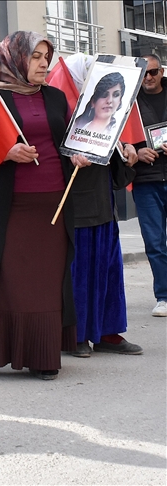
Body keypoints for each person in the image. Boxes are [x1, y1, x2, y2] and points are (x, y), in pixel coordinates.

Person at [0, 31, 91, 381]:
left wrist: (79, 155)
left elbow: (68, 141)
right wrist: (5, 152)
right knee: (1, 279)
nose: (43, 63)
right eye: (36, 56)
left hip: (53, 203)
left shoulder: (56, 97)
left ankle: (43, 354)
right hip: (9, 205)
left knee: (46, 283)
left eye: (46, 57)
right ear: (16, 58)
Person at [64, 55, 143, 357]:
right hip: (78, 210)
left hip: (105, 209)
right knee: (80, 274)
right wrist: (71, 157)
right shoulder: (68, 118)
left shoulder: (113, 127)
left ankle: (107, 332)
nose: (110, 100)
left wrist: (127, 154)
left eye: (116, 94)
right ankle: (77, 335)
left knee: (109, 272)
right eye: (103, 93)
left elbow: (118, 178)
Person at [133, 53, 167, 318]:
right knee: (154, 243)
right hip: (146, 180)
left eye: (152, 72)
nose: (148, 78)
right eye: (143, 73)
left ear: (162, 71)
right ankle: (163, 296)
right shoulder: (128, 101)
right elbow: (116, 137)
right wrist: (137, 151)